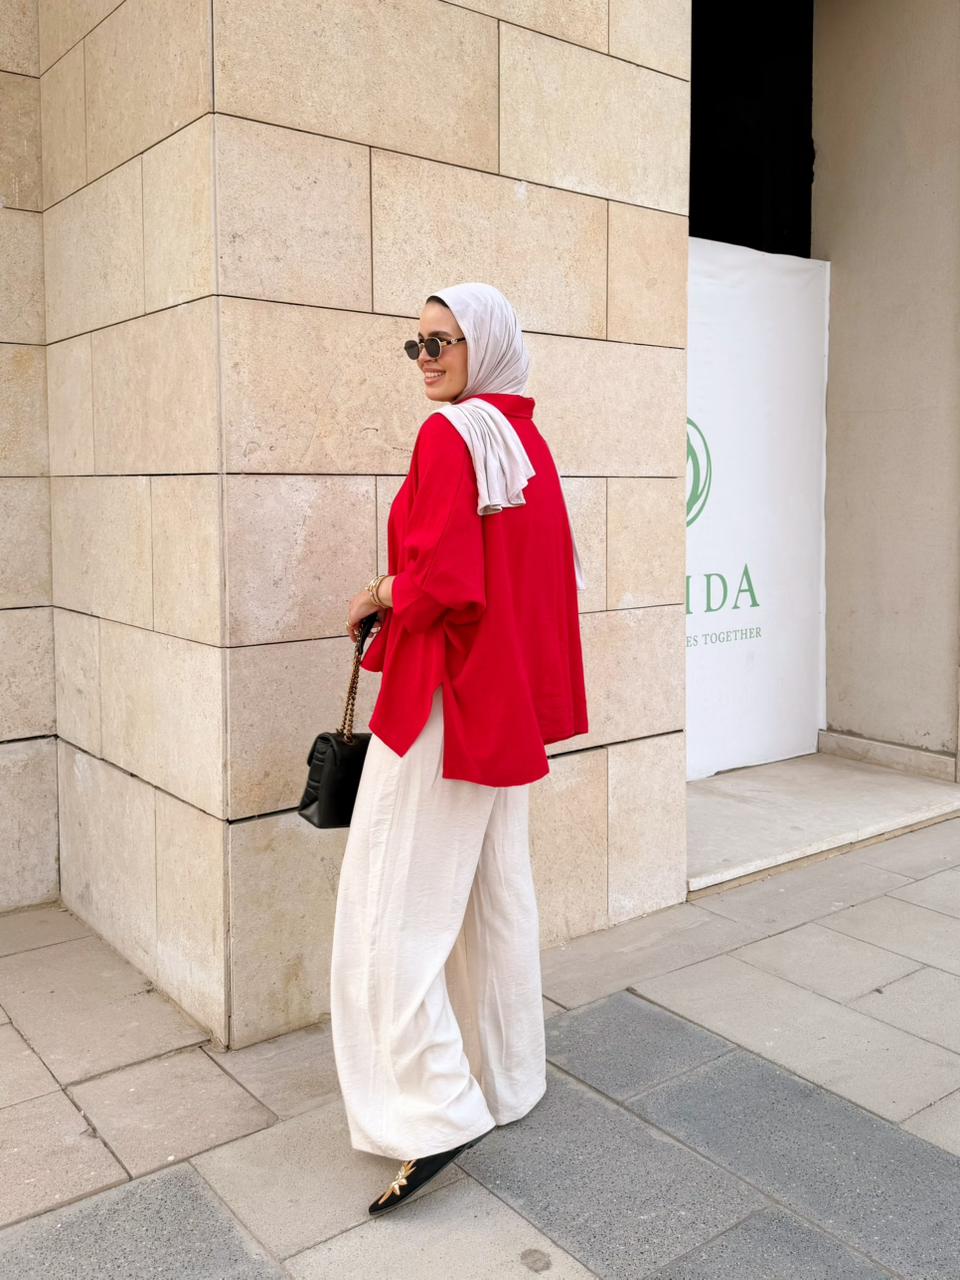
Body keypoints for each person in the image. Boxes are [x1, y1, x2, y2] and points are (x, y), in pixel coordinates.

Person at [330, 281, 588, 1217]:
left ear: (486, 344)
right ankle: (507, 1079)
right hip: (498, 706)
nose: (427, 358)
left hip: (441, 702)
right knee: (493, 897)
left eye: (444, 341)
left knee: (386, 911)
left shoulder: (451, 436)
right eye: (417, 344)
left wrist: (382, 592)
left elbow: (445, 583)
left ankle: (434, 1109)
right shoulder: (523, 440)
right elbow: (533, 582)